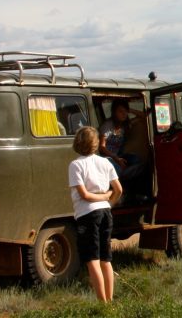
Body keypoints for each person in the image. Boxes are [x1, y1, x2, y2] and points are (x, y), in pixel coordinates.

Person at [69, 126, 122, 303]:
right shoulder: (106, 162)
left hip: (87, 215)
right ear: (97, 143)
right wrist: (108, 200)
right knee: (106, 259)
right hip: (106, 212)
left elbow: (84, 195)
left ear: (78, 142)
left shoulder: (76, 165)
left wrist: (100, 198)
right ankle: (110, 302)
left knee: (92, 260)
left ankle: (102, 304)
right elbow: (118, 189)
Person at [98, 100, 143, 177]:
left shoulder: (124, 125)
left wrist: (130, 110)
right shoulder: (108, 125)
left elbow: (143, 115)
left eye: (125, 111)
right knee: (117, 169)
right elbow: (102, 147)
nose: (124, 114)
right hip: (106, 157)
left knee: (136, 159)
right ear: (114, 112)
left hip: (118, 155)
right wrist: (116, 159)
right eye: (120, 111)